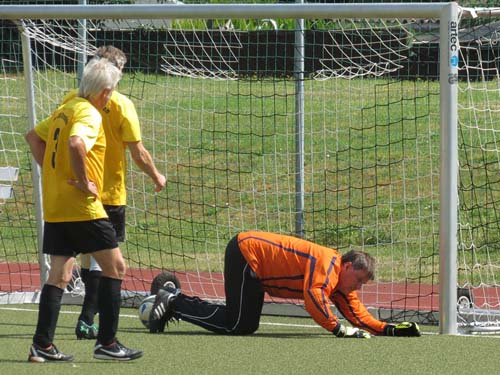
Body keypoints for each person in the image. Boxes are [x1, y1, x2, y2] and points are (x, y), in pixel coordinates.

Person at [25, 57, 143, 362]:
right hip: (81, 207)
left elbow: (33, 137)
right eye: (113, 89)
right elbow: (77, 143)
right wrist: (83, 180)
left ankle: (42, 345)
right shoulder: (90, 113)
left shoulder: (65, 109)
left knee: (61, 274)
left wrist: (54, 175)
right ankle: (108, 342)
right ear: (105, 91)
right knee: (115, 266)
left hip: (56, 205)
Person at [149, 231, 421, 338]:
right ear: (348, 266)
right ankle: (173, 301)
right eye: (359, 281)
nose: (358, 288)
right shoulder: (328, 263)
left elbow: (357, 313)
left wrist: (388, 329)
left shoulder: (340, 283)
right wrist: (338, 329)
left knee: (244, 325)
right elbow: (313, 297)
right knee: (236, 324)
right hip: (247, 254)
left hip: (256, 268)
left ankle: (171, 296)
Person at [72, 46, 166, 340]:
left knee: (86, 259)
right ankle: (91, 321)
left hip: (78, 188)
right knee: (109, 262)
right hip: (109, 193)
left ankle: (85, 319)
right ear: (115, 72)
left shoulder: (75, 100)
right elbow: (138, 152)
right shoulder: (122, 105)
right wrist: (156, 175)